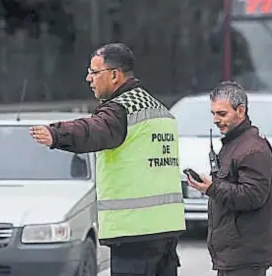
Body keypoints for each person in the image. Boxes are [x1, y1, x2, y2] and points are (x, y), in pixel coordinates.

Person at [30, 43, 186, 276]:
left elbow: (93, 129)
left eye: (94, 72)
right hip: (166, 229)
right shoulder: (160, 110)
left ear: (114, 75)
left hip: (135, 231)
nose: (88, 78)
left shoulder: (122, 109)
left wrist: (55, 134)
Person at [186, 81, 272, 276]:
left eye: (222, 114)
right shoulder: (235, 144)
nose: (216, 120)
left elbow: (252, 196)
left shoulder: (252, 149)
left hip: (245, 256)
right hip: (234, 256)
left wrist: (211, 189)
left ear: (241, 111)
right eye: (213, 114)